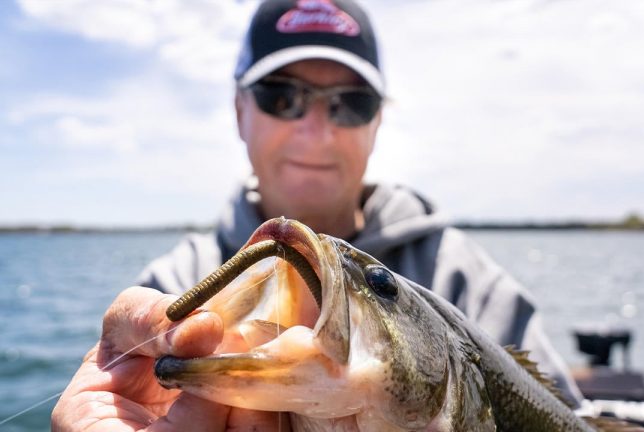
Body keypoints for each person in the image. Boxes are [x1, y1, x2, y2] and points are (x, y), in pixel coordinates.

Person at [52, 0, 581, 429]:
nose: (316, 128)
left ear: (377, 124)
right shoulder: (170, 287)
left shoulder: (472, 285)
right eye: (282, 97)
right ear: (239, 111)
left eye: (350, 103)